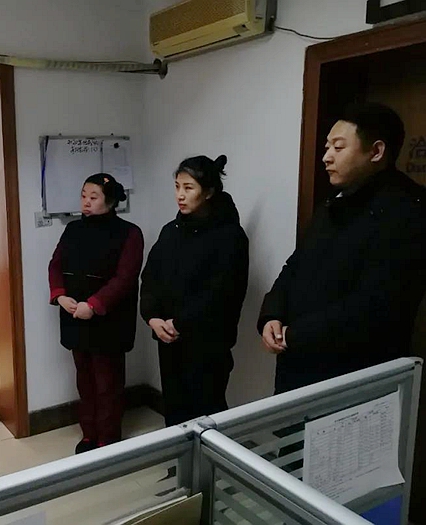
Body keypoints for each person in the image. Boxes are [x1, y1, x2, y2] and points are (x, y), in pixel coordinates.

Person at [258, 102, 426, 394]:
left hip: (355, 374)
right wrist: (272, 314)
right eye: (327, 147)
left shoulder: (408, 211)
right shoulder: (335, 202)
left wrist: (296, 334)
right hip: (298, 360)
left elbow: (376, 305)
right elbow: (296, 265)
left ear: (376, 151)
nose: (326, 157)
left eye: (338, 147)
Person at [140, 155, 249, 427]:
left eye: (188, 188)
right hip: (168, 338)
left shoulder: (230, 236)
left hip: (207, 343)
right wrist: (152, 317)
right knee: (175, 411)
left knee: (207, 412)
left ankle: (210, 458)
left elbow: (221, 293)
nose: (180, 195)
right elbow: (150, 277)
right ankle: (179, 455)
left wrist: (180, 323)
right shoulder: (170, 231)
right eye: (177, 187)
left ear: (208, 192)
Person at [48, 173, 144, 454]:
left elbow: (125, 278)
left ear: (111, 202)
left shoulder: (129, 233)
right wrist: (60, 295)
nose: (86, 202)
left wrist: (93, 304)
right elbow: (55, 265)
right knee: (85, 381)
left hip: (109, 320)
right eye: (83, 196)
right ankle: (89, 434)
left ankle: (108, 439)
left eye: (93, 197)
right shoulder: (73, 229)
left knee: (107, 383)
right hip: (75, 315)